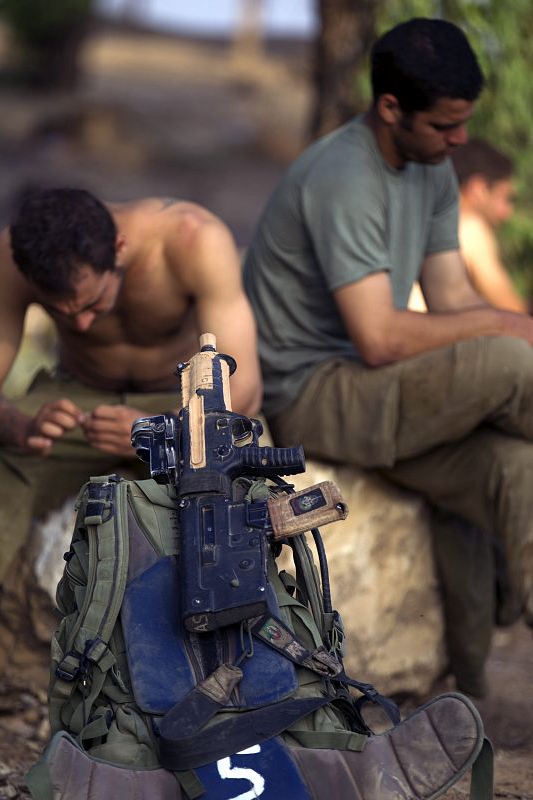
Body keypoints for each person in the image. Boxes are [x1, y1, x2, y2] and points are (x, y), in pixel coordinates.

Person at [244, 18, 533, 693]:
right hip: (314, 391)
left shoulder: (429, 166)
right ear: (390, 108)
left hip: (379, 389)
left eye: (464, 124)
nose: (460, 141)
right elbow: (378, 337)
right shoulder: (343, 174)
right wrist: (514, 326)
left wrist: (501, 324)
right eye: (444, 126)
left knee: (518, 468)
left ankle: (468, 687)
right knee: (513, 362)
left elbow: (452, 294)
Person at [0, 187, 262, 583]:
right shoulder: (15, 255)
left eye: (92, 304)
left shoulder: (194, 240)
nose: (82, 325)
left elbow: (242, 390)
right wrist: (18, 427)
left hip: (181, 403)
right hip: (79, 400)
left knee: (220, 498)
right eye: (59, 312)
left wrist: (157, 434)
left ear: (118, 248)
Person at [451, 138, 527, 313]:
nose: (507, 213)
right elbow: (513, 313)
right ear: (479, 189)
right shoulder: (468, 229)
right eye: (505, 198)